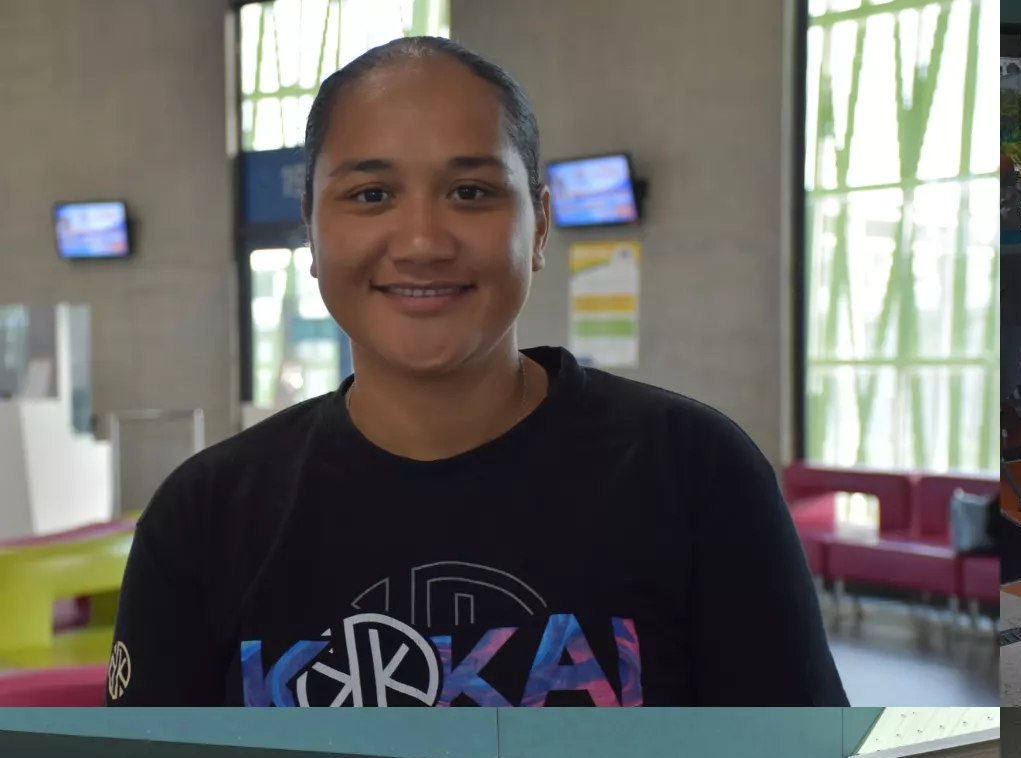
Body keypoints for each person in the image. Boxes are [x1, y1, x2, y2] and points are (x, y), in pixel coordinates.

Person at [105, 36, 843, 709]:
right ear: (310, 231)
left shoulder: (694, 473)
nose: (423, 241)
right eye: (371, 195)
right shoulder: (205, 519)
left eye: (471, 192)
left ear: (540, 226)